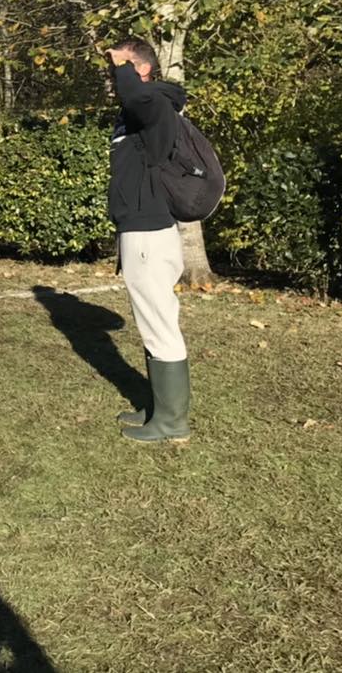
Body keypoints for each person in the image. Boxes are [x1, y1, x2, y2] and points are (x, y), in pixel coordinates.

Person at [107, 38, 192, 444]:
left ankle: (173, 423)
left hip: (149, 232)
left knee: (160, 324)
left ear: (141, 70)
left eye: (120, 68)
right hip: (140, 229)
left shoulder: (155, 104)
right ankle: (159, 409)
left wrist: (122, 66)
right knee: (151, 321)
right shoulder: (141, 111)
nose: (112, 77)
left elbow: (133, 93)